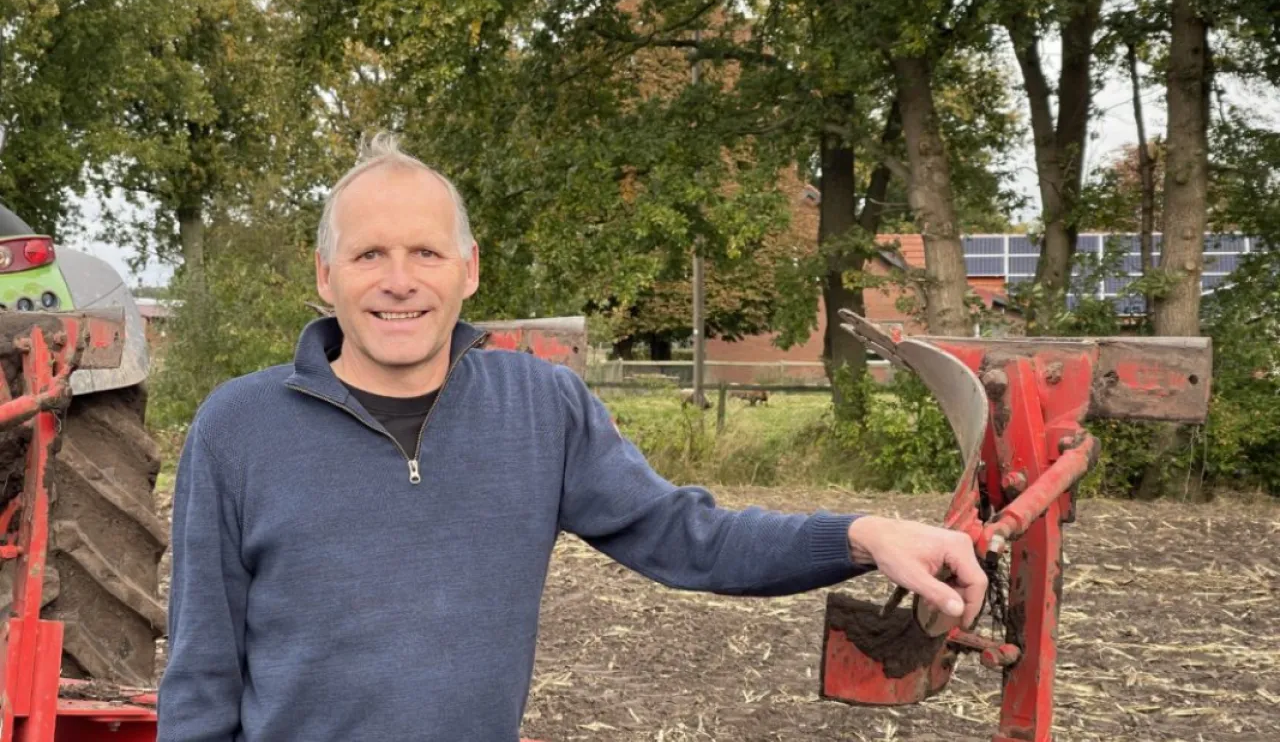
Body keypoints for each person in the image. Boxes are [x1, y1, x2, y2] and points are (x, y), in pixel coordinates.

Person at [157, 132, 987, 742]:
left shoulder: (539, 407)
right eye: (369, 253)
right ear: (325, 275)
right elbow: (200, 672)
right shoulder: (239, 428)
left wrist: (860, 535)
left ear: (470, 269)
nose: (400, 280)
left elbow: (688, 538)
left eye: (426, 252)